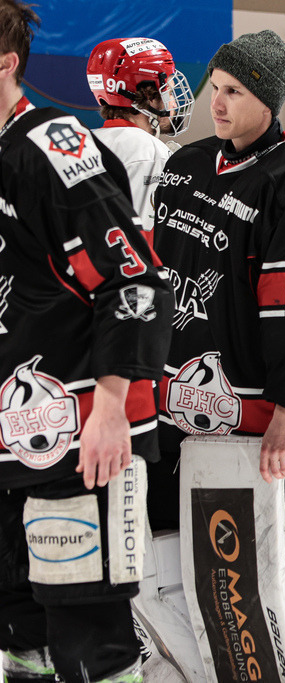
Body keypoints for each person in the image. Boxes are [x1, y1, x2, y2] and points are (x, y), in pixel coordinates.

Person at [150, 28, 285, 635]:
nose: (216, 103)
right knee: (170, 569)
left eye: (234, 91)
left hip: (265, 422)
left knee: (260, 577)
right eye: (215, 87)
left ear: (269, 98)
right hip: (181, 411)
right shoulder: (184, 165)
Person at [0, 2, 174, 680]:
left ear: (7, 63)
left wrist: (111, 410)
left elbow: (135, 279)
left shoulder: (53, 144)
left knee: (88, 631)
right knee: (20, 624)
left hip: (77, 431)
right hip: (13, 427)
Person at [86, 37, 193, 245]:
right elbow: (143, 245)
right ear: (148, 95)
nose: (173, 101)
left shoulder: (87, 141)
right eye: (169, 90)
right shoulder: (149, 152)